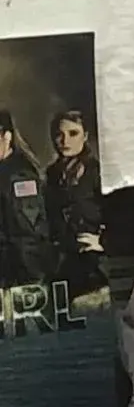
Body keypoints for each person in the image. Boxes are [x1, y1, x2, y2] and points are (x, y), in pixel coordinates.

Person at [44, 108, 111, 309]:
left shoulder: (97, 172)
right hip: (63, 263)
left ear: (85, 136)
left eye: (73, 133)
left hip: (96, 265)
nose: (65, 140)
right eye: (59, 135)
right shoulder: (52, 174)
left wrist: (103, 241)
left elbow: (120, 215)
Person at [0, 108, 53, 289]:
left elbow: (28, 233)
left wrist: (30, 281)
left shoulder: (19, 176)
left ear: (6, 137)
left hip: (18, 276)